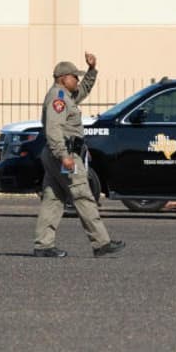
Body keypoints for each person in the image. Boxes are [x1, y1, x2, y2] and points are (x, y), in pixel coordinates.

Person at [33, 52, 125, 258]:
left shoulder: (66, 96)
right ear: (63, 78)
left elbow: (84, 89)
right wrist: (63, 155)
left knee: (53, 198)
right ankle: (101, 242)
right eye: (74, 76)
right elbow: (54, 130)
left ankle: (43, 244)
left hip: (61, 153)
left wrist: (92, 70)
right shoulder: (58, 99)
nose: (77, 79)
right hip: (63, 154)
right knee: (82, 194)